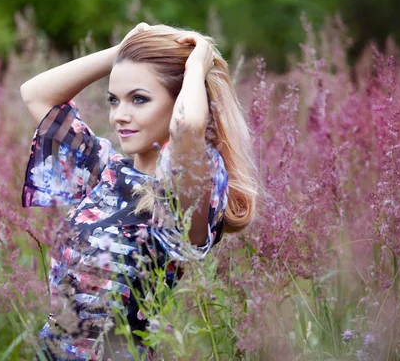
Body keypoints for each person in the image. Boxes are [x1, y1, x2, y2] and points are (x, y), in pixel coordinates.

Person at [20, 23, 258, 360]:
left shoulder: (187, 194)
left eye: (139, 99)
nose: (120, 116)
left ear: (180, 104)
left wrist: (196, 65)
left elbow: (188, 127)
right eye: (114, 100)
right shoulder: (106, 169)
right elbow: (36, 94)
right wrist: (123, 51)